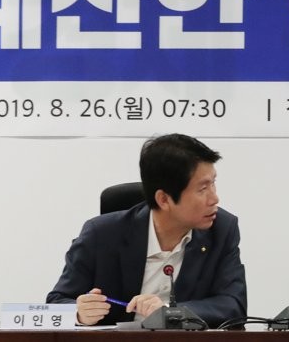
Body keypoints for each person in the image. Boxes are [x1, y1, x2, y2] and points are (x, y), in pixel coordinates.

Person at [47, 134, 246, 327]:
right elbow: (57, 302)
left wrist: (170, 311)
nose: (214, 199)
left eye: (213, 184)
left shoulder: (222, 229)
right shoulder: (100, 234)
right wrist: (79, 313)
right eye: (202, 189)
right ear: (164, 199)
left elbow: (233, 305)